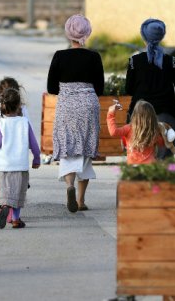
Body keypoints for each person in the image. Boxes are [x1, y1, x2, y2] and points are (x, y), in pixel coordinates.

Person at [47, 14, 104, 213]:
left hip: (67, 106)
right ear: (86, 33)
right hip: (88, 105)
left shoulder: (59, 56)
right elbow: (101, 88)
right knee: (86, 151)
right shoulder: (94, 57)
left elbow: (52, 88)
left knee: (68, 148)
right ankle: (80, 201)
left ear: (68, 33)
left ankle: (69, 186)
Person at [0, 88, 41, 229]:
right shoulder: (24, 122)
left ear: (2, 105)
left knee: (4, 190)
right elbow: (34, 144)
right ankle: (15, 219)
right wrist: (36, 159)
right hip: (20, 165)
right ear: (19, 105)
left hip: (3, 165)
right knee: (18, 193)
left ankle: (4, 205)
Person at [125, 18, 175, 159]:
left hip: (140, 115)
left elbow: (128, 89)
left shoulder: (134, 61)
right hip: (166, 114)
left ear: (144, 37)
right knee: (165, 159)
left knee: (140, 156)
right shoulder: (171, 61)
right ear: (161, 37)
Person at [0, 77, 29, 221]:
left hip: (1, 154)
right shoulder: (23, 110)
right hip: (19, 154)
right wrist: (35, 155)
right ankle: (12, 215)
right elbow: (29, 130)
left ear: (0, 94)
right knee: (16, 183)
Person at [107, 100, 175, 164]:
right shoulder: (153, 131)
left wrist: (110, 114)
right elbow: (162, 143)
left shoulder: (129, 128)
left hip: (133, 167)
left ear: (135, 115)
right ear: (152, 117)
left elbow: (114, 132)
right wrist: (166, 133)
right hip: (149, 167)